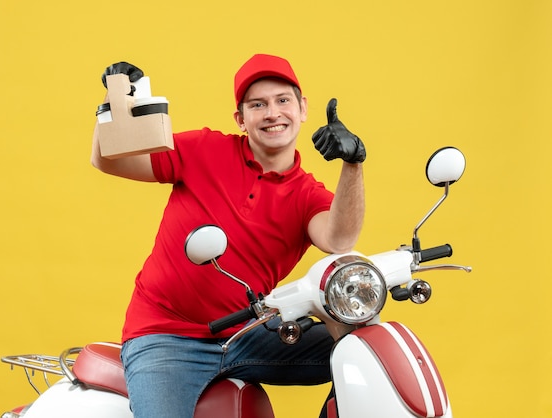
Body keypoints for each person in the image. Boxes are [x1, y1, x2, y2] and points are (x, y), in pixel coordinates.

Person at [91, 53, 366, 418]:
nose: (272, 113)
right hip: (165, 336)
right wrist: (113, 106)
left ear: (302, 109)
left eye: (283, 101)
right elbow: (109, 160)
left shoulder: (306, 194)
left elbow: (339, 240)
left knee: (364, 354)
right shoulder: (203, 149)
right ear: (241, 119)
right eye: (258, 105)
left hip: (248, 334)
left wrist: (353, 163)